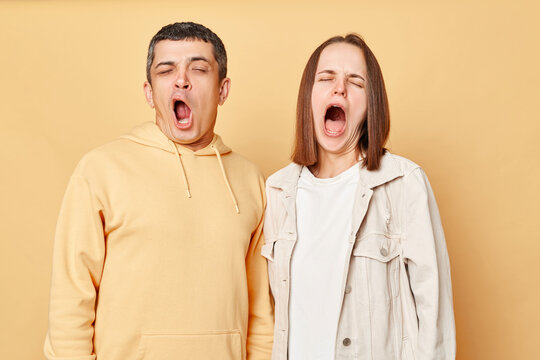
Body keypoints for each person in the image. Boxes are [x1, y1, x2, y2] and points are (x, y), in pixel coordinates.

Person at [44, 22, 273, 360]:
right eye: (166, 70)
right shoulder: (101, 170)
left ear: (223, 90)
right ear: (150, 93)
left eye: (198, 68)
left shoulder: (250, 179)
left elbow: (261, 315)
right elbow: (70, 302)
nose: (182, 79)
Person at [262, 34, 455, 359]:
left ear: (371, 105)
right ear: (308, 96)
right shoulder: (278, 191)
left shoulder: (403, 183)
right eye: (326, 78)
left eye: (355, 81)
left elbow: (434, 313)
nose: (339, 88)